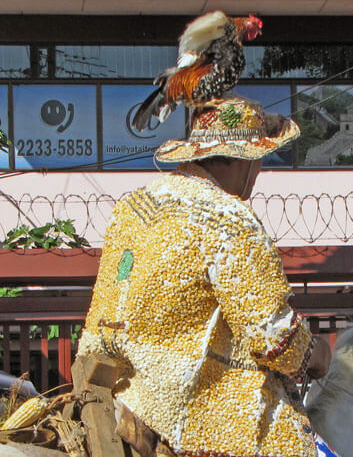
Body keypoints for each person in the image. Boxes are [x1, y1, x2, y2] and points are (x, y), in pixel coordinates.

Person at [77, 95, 331, 457]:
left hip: (123, 394)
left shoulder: (132, 207)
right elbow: (272, 339)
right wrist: (317, 353)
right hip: (197, 412)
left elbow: (104, 313)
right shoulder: (228, 217)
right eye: (260, 159)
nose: (259, 171)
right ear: (244, 159)